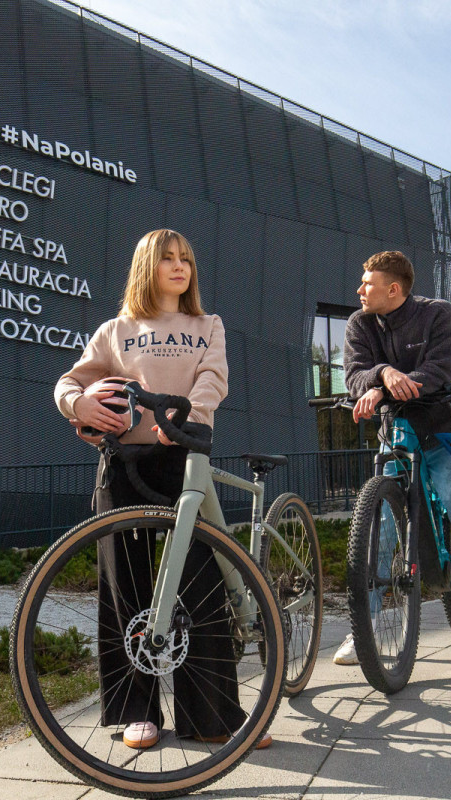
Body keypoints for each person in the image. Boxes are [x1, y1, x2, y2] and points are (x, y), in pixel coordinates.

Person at [54, 229, 272, 750]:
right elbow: (70, 382)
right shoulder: (115, 330)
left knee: (200, 585)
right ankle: (138, 711)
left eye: (186, 260)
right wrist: (78, 405)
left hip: (184, 460)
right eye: (168, 258)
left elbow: (212, 379)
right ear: (145, 266)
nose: (180, 267)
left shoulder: (207, 324)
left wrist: (185, 420)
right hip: (123, 465)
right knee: (125, 587)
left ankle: (215, 715)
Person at [332, 250, 451, 674]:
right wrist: (384, 375)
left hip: (440, 434)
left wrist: (389, 385)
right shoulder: (359, 323)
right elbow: (354, 375)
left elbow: (437, 370)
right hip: (395, 437)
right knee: (379, 534)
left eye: (367, 284)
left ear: (393, 289)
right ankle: (366, 626)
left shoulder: (438, 315)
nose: (359, 290)